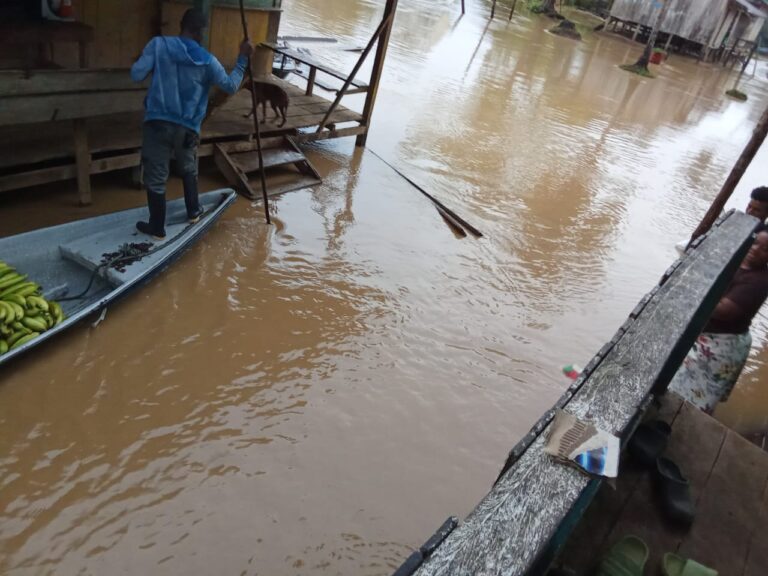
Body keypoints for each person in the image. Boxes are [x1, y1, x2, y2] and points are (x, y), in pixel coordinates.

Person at [130, 9, 253, 239]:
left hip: (156, 124)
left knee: (156, 176)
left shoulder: (158, 45)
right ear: (202, 32)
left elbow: (136, 74)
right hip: (187, 129)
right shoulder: (208, 61)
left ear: (182, 25)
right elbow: (230, 86)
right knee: (188, 167)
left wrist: (144, 59)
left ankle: (157, 227)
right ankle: (194, 211)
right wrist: (243, 58)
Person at [669, 229, 768, 413]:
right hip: (704, 336)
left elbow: (724, 311)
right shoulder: (736, 259)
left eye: (765, 249)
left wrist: (690, 293)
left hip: (721, 344)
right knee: (679, 384)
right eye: (755, 243)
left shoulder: (759, 281)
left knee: (697, 397)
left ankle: (683, 423)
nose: (756, 249)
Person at [675, 186, 768, 255]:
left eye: (757, 210)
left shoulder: (763, 235)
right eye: (749, 206)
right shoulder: (735, 220)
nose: (749, 211)